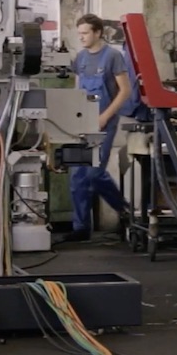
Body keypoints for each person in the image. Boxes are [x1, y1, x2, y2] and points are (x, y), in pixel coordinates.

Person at [63, 14, 133, 242]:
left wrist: (105, 116)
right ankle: (81, 228)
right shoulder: (81, 58)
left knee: (93, 173)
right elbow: (77, 89)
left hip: (104, 123)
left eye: (85, 33)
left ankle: (125, 211)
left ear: (98, 33)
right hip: (82, 123)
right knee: (77, 176)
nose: (81, 37)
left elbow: (125, 91)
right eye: (80, 33)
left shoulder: (113, 57)